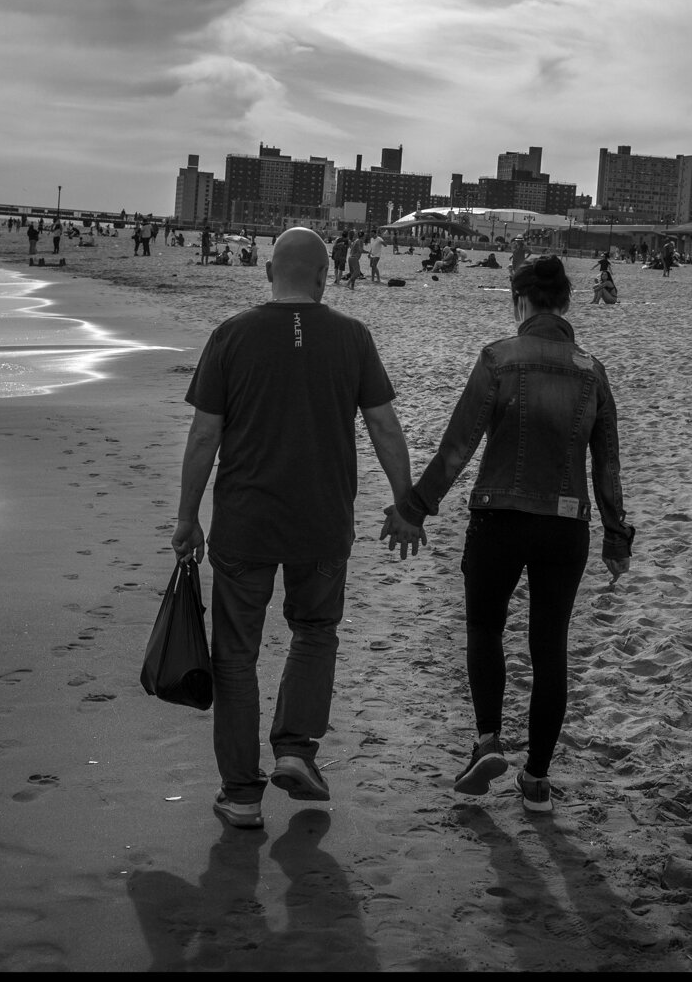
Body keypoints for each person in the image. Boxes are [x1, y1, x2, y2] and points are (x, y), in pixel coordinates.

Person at [170, 228, 416, 832]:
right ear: (326, 276)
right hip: (323, 523)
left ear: (267, 272)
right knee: (313, 634)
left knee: (235, 655)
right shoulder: (352, 337)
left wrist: (187, 515)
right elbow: (384, 426)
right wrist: (405, 503)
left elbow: (205, 436)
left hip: (246, 524)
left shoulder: (232, 334)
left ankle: (242, 795)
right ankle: (295, 750)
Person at [388, 255, 633, 816]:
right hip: (565, 527)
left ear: (519, 301)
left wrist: (416, 508)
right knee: (550, 649)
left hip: (498, 519)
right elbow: (608, 464)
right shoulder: (592, 369)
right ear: (566, 303)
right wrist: (617, 538)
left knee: (484, 628)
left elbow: (459, 444)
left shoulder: (499, 358)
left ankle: (487, 742)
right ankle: (538, 779)